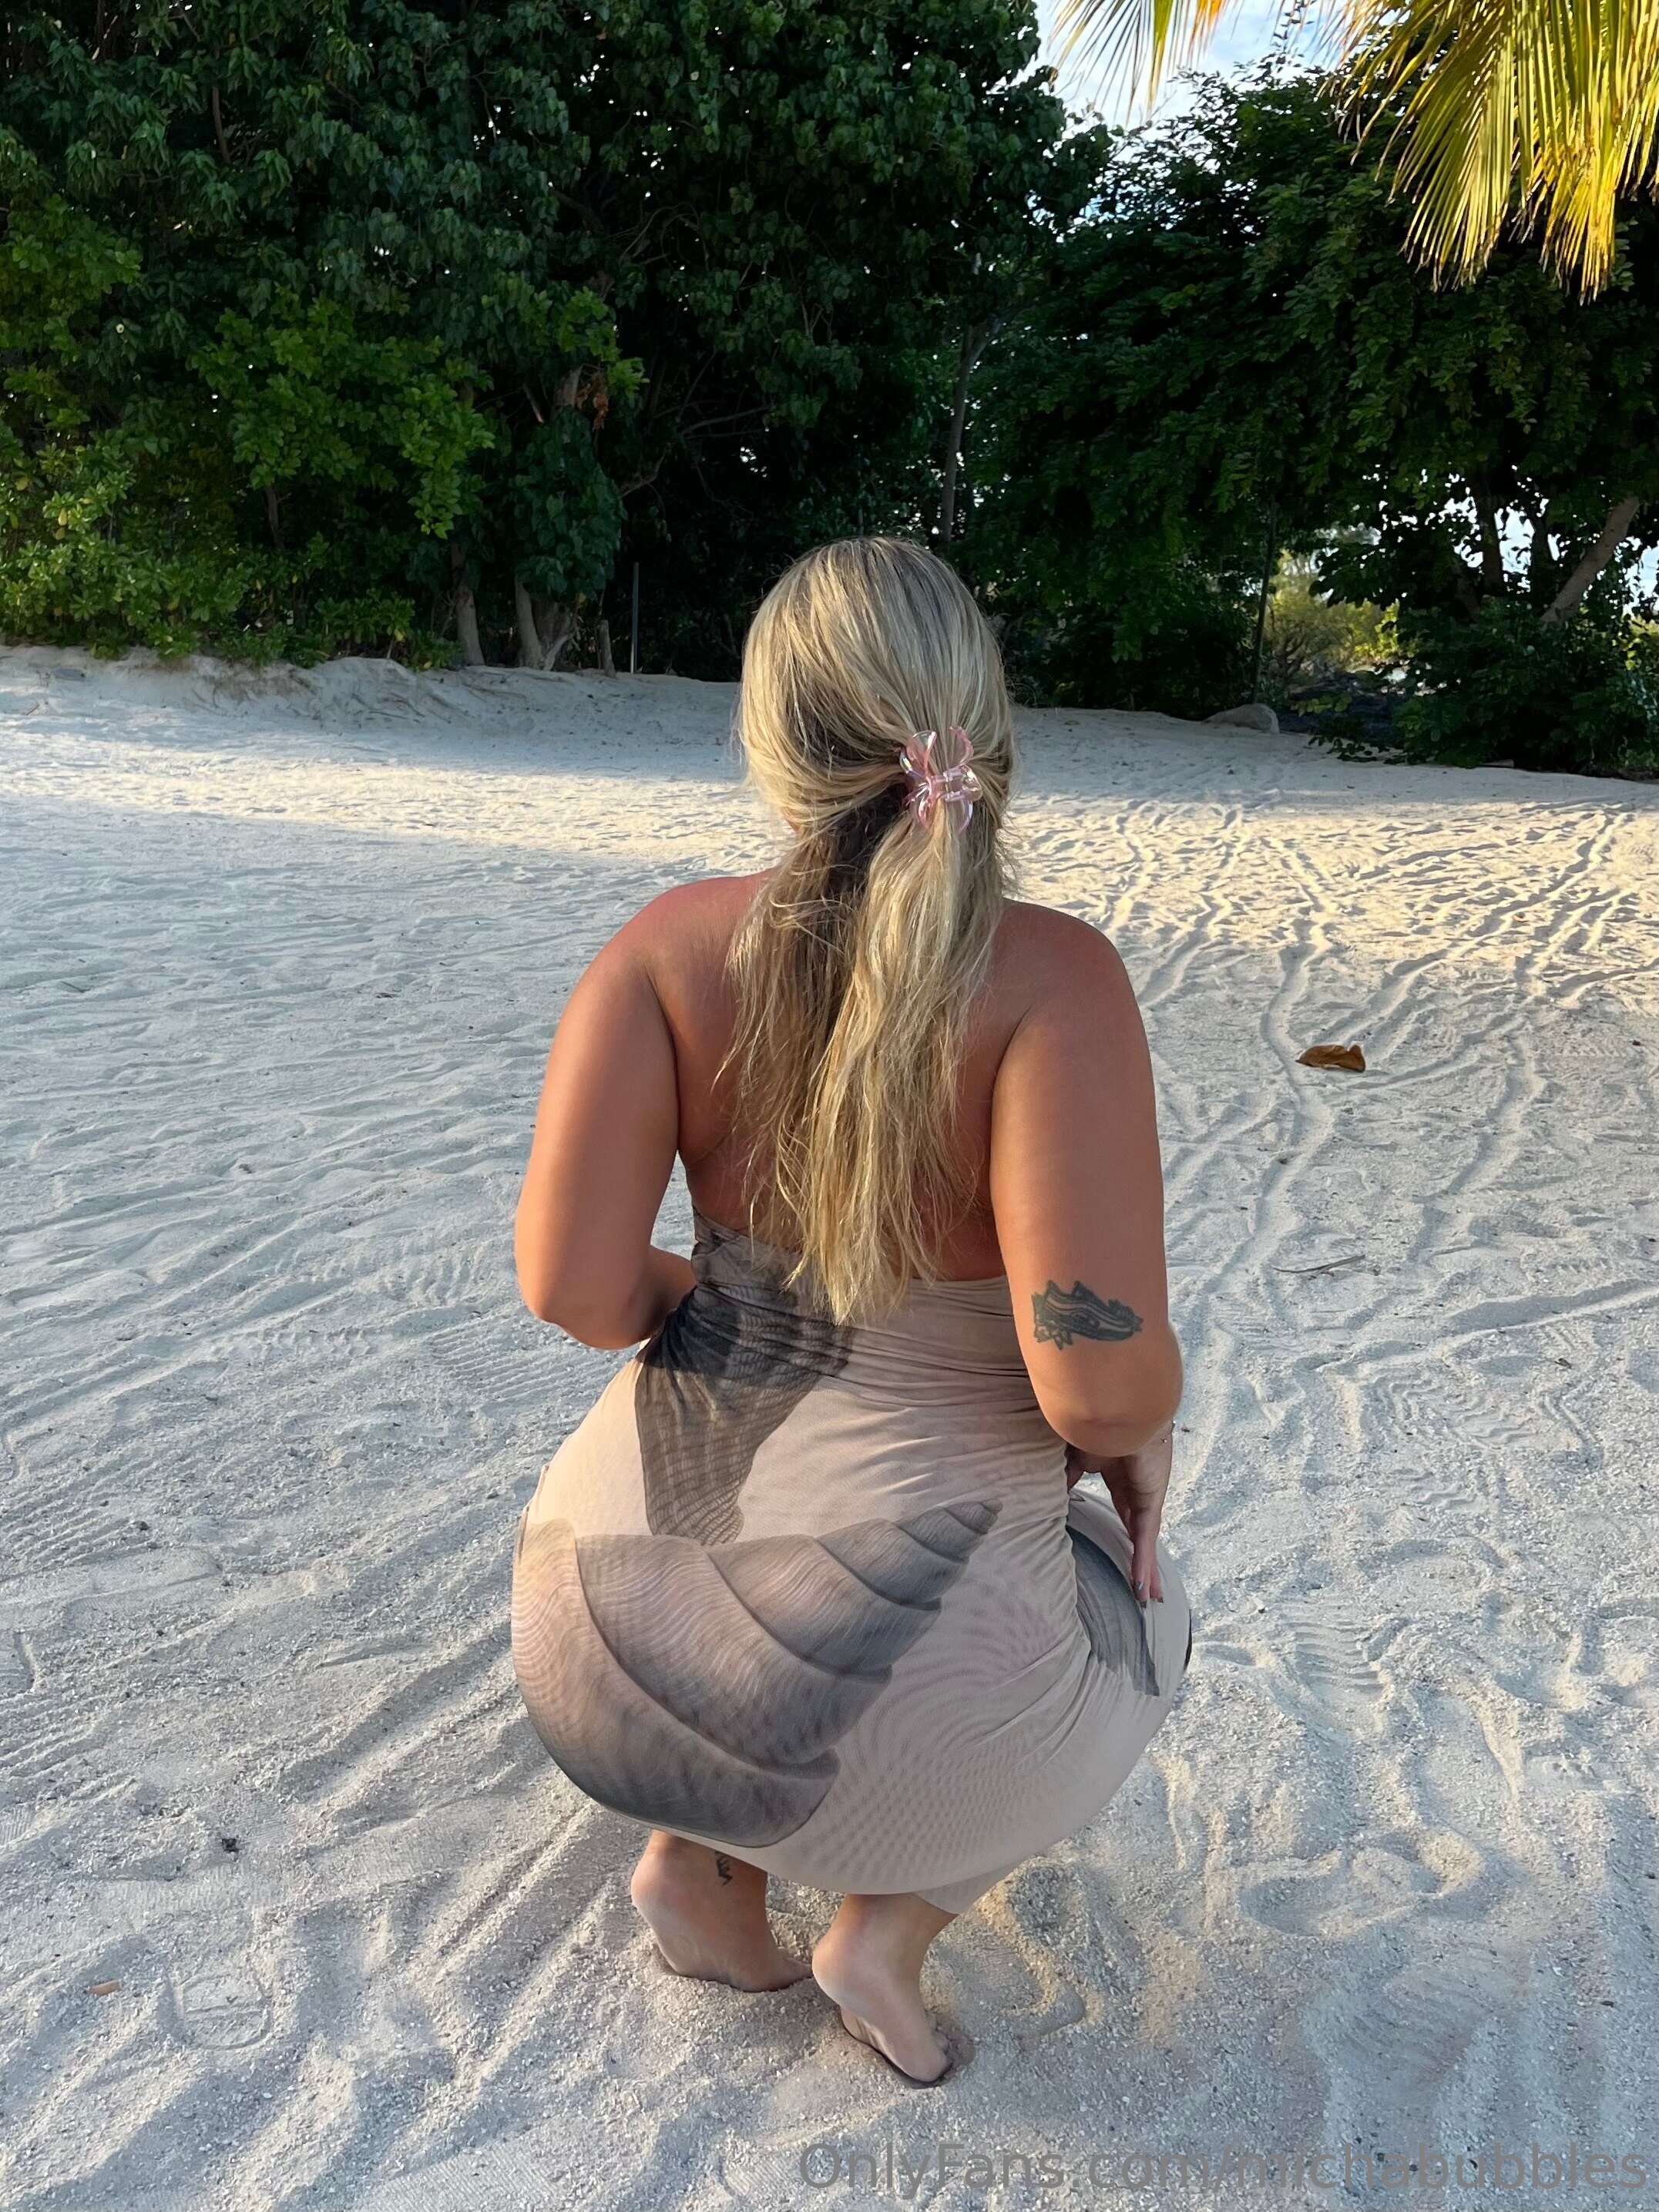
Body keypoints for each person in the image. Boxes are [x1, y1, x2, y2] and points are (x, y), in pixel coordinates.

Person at [510, 536, 1191, 2084]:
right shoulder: (1052, 980)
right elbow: (1091, 1385)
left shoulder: (664, 951)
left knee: (761, 1562)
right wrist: (1146, 1431)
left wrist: (723, 1307)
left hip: (586, 1638)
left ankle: (697, 1863)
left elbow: (574, 1288)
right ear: (980, 727)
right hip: (899, 1694)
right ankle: (882, 1930)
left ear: (772, 743)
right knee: (1152, 1615)